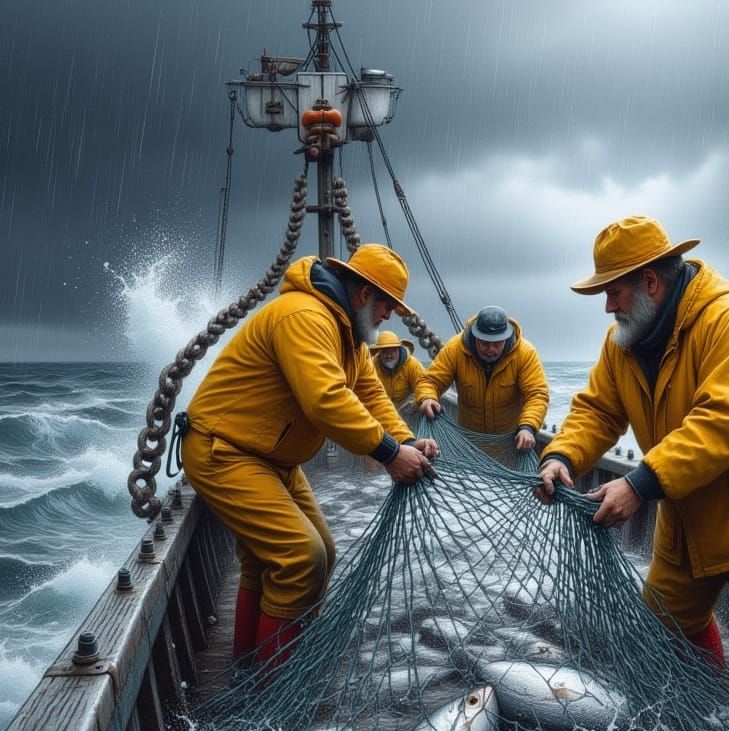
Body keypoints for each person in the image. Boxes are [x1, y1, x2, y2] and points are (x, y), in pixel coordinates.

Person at [535, 216, 729, 731]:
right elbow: (598, 411)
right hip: (685, 511)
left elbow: (724, 422)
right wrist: (562, 456)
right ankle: (711, 719)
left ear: (652, 281)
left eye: (613, 291)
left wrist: (640, 484)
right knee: (666, 622)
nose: (607, 306)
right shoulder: (622, 342)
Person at [182, 244, 438, 668]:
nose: (388, 316)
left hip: (271, 459)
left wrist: (406, 441)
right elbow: (326, 400)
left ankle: (250, 666)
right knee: (302, 557)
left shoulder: (349, 335)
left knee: (319, 553)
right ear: (363, 295)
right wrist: (391, 454)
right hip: (225, 451)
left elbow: (369, 393)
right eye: (387, 305)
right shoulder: (306, 316)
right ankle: (272, 689)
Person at [416, 305, 549, 450]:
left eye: (497, 343)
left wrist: (528, 427)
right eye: (485, 344)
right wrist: (427, 397)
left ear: (506, 336)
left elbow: (537, 394)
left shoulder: (525, 353)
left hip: (510, 444)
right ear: (475, 336)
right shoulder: (455, 348)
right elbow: (430, 381)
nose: (491, 349)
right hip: (469, 444)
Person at [369, 330, 424, 409]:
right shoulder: (371, 366)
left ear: (399, 349)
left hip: (408, 412)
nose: (388, 355)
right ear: (379, 352)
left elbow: (423, 386)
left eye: (392, 351)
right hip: (381, 411)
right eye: (384, 352)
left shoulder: (412, 365)